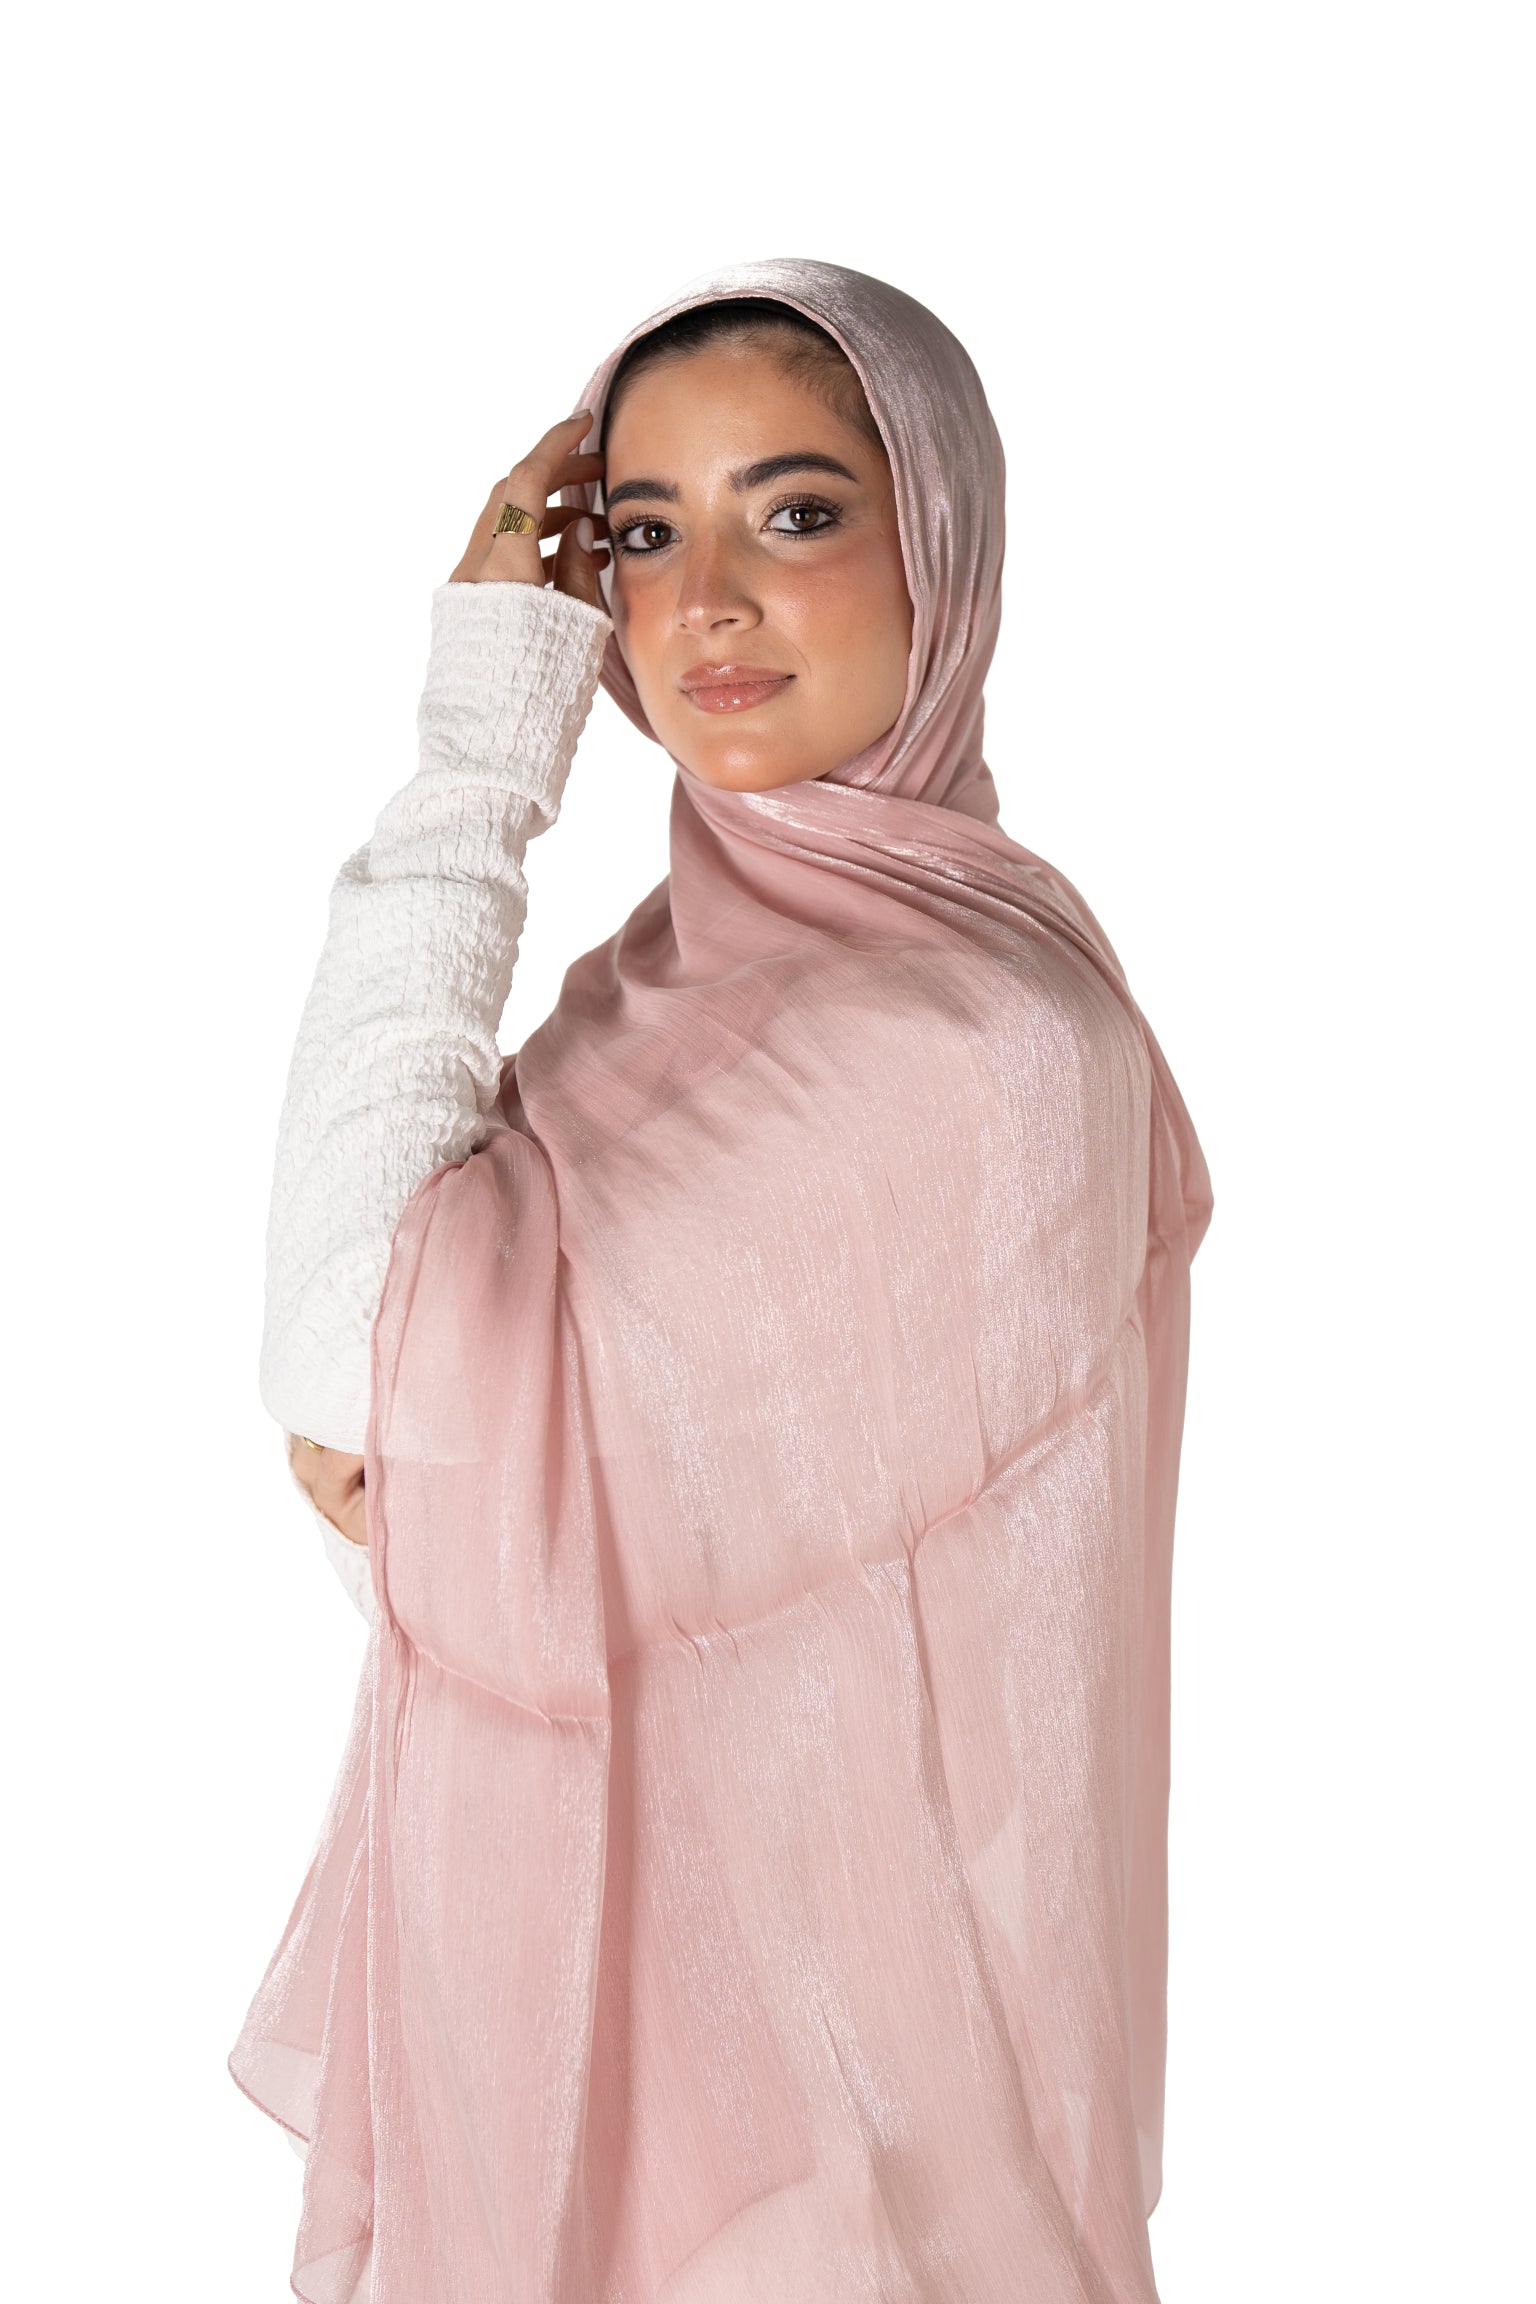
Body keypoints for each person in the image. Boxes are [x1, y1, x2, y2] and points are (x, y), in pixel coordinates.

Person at [230, 259, 1213, 2304]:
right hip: (649, 2128)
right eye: (642, 536)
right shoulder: (666, 993)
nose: (704, 607)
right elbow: (409, 1452)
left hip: (851, 2184)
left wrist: (480, 747)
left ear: (945, 547)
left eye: (797, 513)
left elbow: (357, 1376)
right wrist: (420, 1470)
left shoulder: (985, 1047)